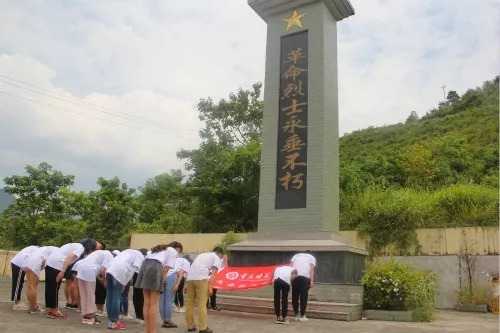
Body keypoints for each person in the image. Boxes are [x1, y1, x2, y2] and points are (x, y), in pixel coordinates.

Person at [135, 242, 182, 333]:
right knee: (153, 303)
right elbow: (165, 270)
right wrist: (161, 283)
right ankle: (152, 331)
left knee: (147, 302)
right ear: (176, 248)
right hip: (155, 267)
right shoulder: (173, 252)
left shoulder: (159, 250)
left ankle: (148, 330)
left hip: (145, 265)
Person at [107, 248, 148, 330]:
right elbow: (136, 270)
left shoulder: (126, 251)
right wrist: (124, 283)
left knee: (110, 296)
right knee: (116, 297)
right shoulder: (139, 255)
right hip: (120, 272)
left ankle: (111, 322)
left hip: (109, 270)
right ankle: (115, 322)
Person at [185, 247, 224, 333]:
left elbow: (192, 267)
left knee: (190, 303)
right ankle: (203, 328)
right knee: (202, 304)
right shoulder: (216, 258)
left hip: (190, 279)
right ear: (220, 254)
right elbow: (214, 273)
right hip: (201, 279)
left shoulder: (202, 255)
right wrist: (210, 287)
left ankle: (190, 326)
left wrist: (186, 284)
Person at [44, 242, 85, 319]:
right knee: (54, 288)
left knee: (50, 288)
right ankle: (54, 311)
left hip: (50, 263)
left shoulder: (74, 245)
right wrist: (63, 271)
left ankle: (51, 309)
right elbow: (70, 257)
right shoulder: (81, 247)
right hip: (57, 265)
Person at [75, 249, 114, 325]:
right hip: (90, 271)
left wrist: (100, 279)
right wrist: (104, 280)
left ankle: (85, 316)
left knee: (84, 294)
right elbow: (103, 270)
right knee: (90, 294)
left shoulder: (97, 253)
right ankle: (90, 316)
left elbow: (96, 271)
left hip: (81, 269)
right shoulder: (109, 256)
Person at [23, 246, 58, 314]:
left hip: (29, 260)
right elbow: (46, 261)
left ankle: (31, 306)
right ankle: (34, 307)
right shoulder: (57, 252)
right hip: (35, 261)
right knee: (33, 286)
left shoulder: (47, 248)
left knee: (29, 285)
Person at [10, 245, 38, 311]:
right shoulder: (38, 252)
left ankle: (18, 302)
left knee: (20, 283)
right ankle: (17, 304)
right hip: (19, 264)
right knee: (18, 283)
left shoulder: (35, 249)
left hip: (21, 263)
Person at [290, 251, 316, 322]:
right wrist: (311, 281)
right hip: (305, 278)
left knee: (294, 296)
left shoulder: (295, 256)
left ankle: (296, 315)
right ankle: (303, 315)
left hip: (295, 277)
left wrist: (290, 278)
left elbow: (291, 267)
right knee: (304, 296)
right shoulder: (311, 257)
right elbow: (311, 269)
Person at [132, 248, 148, 324]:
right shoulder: (146, 258)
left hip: (136, 274)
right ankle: (142, 316)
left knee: (136, 296)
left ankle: (139, 316)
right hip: (142, 275)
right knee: (142, 296)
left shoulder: (137, 257)